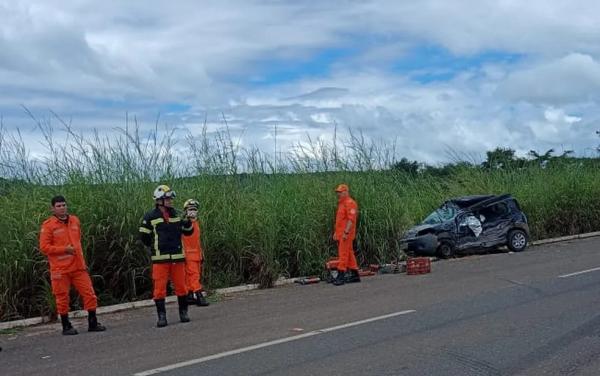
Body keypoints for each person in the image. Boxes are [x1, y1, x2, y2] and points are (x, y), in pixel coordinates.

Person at [39, 195, 106, 335]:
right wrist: (64, 249)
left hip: (78, 267)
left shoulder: (75, 221)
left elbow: (78, 242)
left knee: (89, 294)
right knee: (62, 298)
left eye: (63, 205)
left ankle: (93, 323)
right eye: (58, 206)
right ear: (52, 208)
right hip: (60, 269)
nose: (62, 208)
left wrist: (82, 261)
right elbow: (44, 247)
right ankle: (66, 326)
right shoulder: (48, 225)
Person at [139, 185, 194, 327]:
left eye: (170, 198)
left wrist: (189, 221)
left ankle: (183, 313)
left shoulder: (176, 214)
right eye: (167, 199)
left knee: (181, 287)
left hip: (177, 258)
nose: (170, 201)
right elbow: (144, 236)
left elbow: (188, 232)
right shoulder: (150, 216)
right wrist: (155, 247)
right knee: (159, 289)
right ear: (159, 200)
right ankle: (162, 316)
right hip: (160, 259)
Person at [181, 199, 209, 307]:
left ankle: (189, 296)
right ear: (186, 211)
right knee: (194, 276)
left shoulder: (196, 223)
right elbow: (181, 239)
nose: (193, 211)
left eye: (194, 209)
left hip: (196, 254)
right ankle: (199, 296)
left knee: (190, 276)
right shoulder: (184, 225)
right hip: (188, 254)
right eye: (190, 209)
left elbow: (197, 240)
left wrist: (201, 254)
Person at [332, 184, 361, 286]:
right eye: (338, 192)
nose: (338, 194)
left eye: (340, 192)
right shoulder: (341, 204)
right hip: (341, 233)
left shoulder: (350, 203)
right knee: (349, 253)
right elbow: (340, 220)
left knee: (343, 254)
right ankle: (355, 274)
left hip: (346, 234)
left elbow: (351, 220)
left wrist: (346, 232)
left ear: (346, 192)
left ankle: (341, 277)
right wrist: (336, 232)